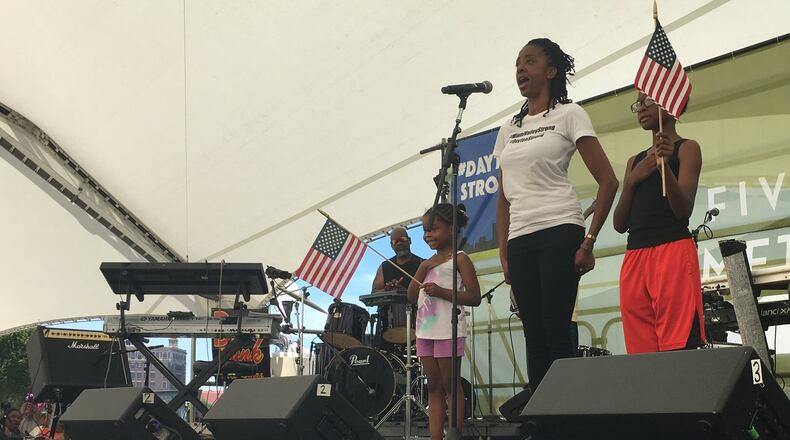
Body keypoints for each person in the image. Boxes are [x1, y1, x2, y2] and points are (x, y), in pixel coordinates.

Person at [494, 38, 619, 391]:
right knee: (533, 334)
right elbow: (502, 199)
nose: (520, 68)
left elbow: (608, 181)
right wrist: (504, 250)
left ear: (550, 71)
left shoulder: (570, 114)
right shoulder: (508, 129)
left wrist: (589, 241)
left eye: (529, 61)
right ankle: (542, 417)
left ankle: (567, 414)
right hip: (520, 239)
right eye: (518, 62)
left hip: (560, 229)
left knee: (555, 330)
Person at [613, 92, 705, 353]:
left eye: (647, 102)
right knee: (642, 352)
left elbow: (683, 210)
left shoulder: (687, 148)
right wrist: (631, 181)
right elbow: (619, 224)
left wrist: (665, 166)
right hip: (635, 255)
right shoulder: (634, 161)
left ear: (669, 102)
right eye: (637, 104)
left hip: (672, 250)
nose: (640, 108)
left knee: (676, 348)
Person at [407, 203, 481, 440]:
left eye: (433, 229)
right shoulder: (427, 264)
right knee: (434, 388)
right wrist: (422, 268)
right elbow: (410, 296)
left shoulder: (460, 259)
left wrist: (441, 291)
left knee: (451, 387)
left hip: (448, 330)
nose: (427, 234)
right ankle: (435, 436)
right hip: (425, 332)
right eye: (424, 230)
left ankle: (454, 434)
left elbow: (475, 297)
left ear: (451, 228)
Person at [371, 227, 424, 351]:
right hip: (388, 325)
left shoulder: (422, 264)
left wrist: (405, 290)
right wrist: (387, 290)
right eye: (395, 241)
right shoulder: (385, 267)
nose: (399, 243)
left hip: (418, 323)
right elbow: (374, 293)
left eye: (402, 239)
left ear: (409, 241)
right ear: (391, 245)